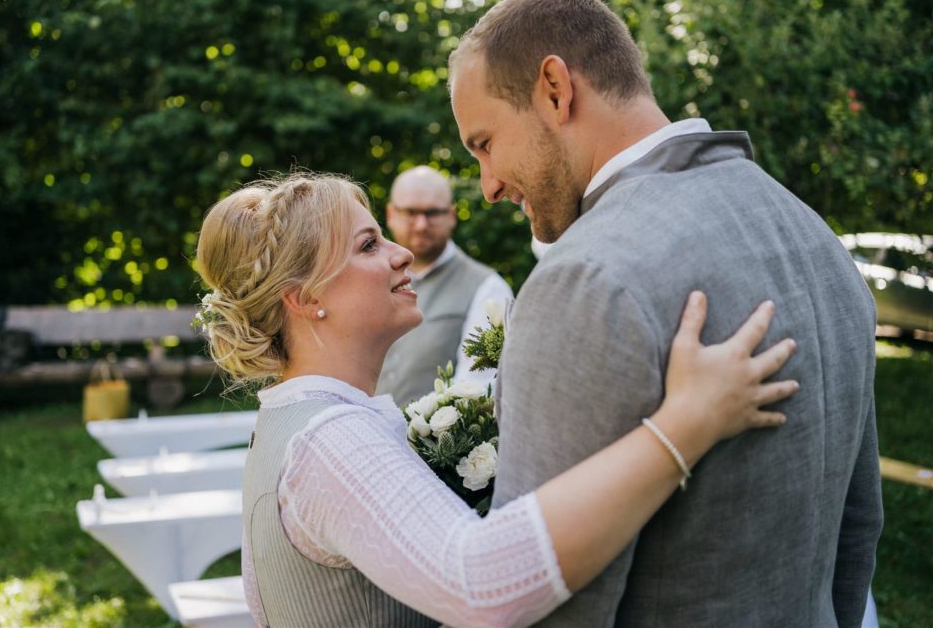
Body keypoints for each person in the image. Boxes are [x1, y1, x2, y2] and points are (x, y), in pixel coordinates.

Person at [448, 0, 882, 626]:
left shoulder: (586, 278)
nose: (487, 186)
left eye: (484, 143)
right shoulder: (815, 238)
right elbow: (858, 528)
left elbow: (546, 604)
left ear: (554, 89)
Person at [194, 173, 799, 627]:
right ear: (304, 299)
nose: (402, 252)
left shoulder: (295, 423)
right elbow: (479, 581)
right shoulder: (329, 442)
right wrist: (686, 425)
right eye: (369, 245)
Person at [377, 165, 513, 404]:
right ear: (390, 214)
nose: (421, 224)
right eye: (410, 212)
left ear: (451, 216)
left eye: (432, 213)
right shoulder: (372, 278)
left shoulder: (488, 288)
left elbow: (478, 387)